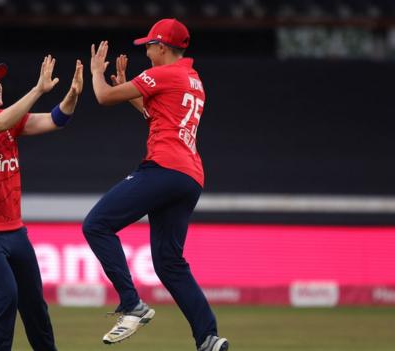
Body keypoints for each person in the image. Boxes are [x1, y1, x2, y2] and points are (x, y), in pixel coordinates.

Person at [84, 18, 229, 351]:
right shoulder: (193, 79)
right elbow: (157, 115)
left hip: (164, 168)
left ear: (162, 47)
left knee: (97, 225)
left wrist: (96, 72)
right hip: (189, 177)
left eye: (149, 45)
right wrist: (130, 89)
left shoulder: (162, 74)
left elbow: (104, 97)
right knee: (169, 263)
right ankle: (208, 337)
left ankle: (132, 303)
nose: (146, 50)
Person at [0, 55, 83, 351]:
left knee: (34, 305)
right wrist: (38, 90)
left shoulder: (10, 122)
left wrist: (72, 95)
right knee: (7, 296)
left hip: (14, 230)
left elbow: (55, 119)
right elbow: (0, 122)